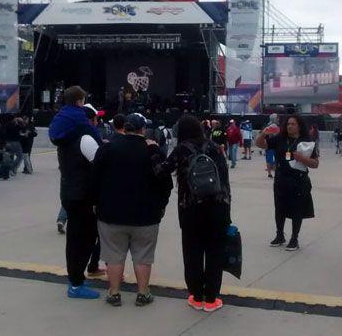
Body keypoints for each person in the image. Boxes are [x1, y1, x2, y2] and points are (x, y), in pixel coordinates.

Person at [91, 113, 173, 307]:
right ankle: (143, 293)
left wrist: (96, 202)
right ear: (143, 129)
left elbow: (94, 179)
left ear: (124, 128)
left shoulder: (107, 148)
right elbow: (166, 182)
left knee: (113, 255)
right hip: (146, 214)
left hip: (111, 213)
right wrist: (161, 205)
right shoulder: (152, 151)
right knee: (143, 256)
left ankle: (114, 292)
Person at [153, 115, 231, 312]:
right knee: (214, 253)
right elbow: (224, 180)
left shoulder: (182, 149)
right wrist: (226, 210)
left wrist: (154, 151)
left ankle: (196, 297)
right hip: (217, 208)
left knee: (192, 253)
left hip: (190, 210)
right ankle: (212, 299)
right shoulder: (214, 147)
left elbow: (160, 171)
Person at [48, 86, 103, 299]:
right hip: (83, 195)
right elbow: (99, 160)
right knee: (85, 238)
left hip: (69, 190)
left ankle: (75, 279)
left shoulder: (62, 126)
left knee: (74, 238)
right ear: (80, 102)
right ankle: (76, 283)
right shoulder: (83, 129)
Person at [257, 114, 319, 251]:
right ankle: (280, 235)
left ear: (299, 126)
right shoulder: (280, 138)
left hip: (298, 181)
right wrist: (263, 134)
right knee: (279, 209)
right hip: (281, 179)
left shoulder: (306, 142)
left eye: (293, 124)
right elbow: (261, 144)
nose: (290, 126)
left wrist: (303, 159)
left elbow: (315, 163)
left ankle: (294, 238)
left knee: (297, 210)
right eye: (288, 124)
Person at [263, 114, 280, 178]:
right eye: (277, 118)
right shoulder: (274, 126)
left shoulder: (267, 125)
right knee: (276, 159)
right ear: (274, 118)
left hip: (268, 145)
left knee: (269, 159)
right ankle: (275, 173)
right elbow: (277, 135)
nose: (278, 119)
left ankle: (269, 173)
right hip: (274, 145)